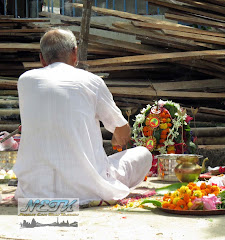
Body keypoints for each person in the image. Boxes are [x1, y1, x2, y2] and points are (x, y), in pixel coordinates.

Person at [13, 28, 152, 205]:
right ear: (75, 53)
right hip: (88, 190)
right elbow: (123, 131)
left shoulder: (25, 81)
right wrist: (118, 139)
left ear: (41, 58)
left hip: (34, 190)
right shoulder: (92, 81)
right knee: (143, 153)